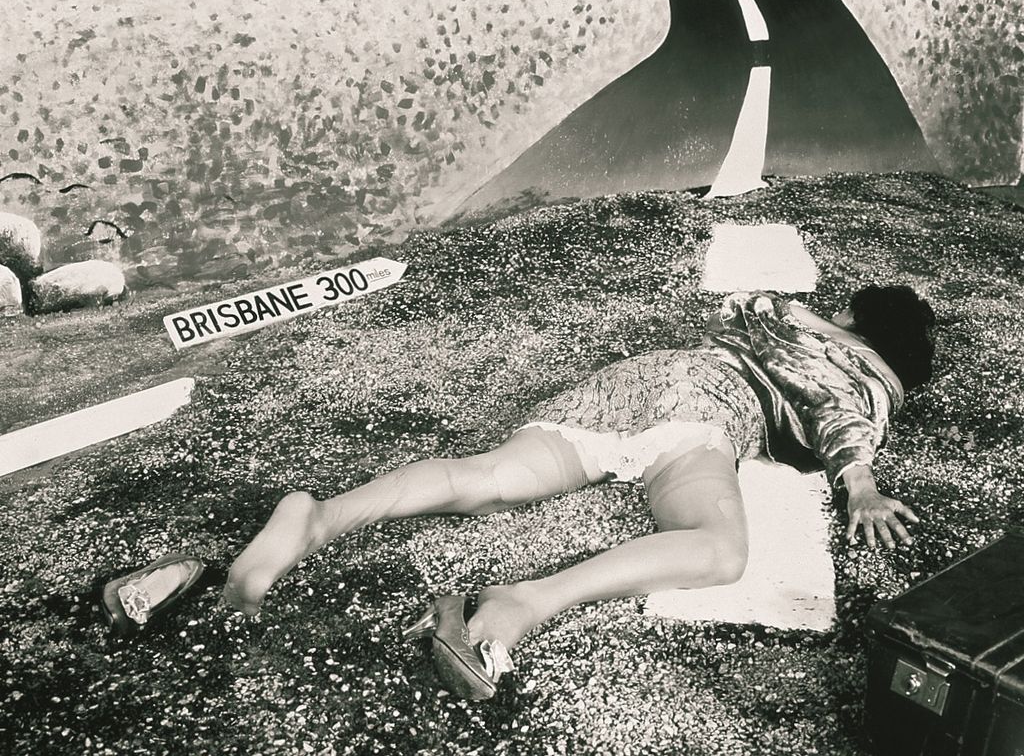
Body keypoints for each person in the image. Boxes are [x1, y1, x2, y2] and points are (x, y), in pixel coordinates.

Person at [213, 285, 936, 699]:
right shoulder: (866, 373)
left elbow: (733, 309)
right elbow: (843, 419)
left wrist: (808, 320)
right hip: (706, 404)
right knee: (718, 550)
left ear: (853, 313)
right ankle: (522, 600)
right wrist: (860, 482)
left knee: (487, 478)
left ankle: (320, 515)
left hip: (634, 380)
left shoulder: (786, 317)